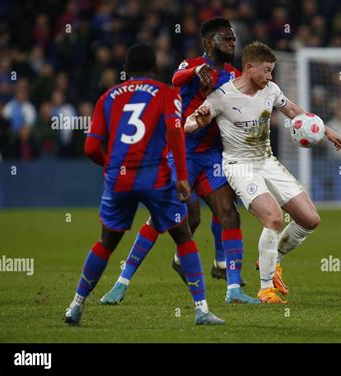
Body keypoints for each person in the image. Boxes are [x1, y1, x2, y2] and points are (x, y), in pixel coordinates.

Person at [101, 18, 259, 305]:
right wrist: (198, 71)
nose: (233, 43)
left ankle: (233, 290)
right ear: (211, 43)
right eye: (228, 38)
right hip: (180, 152)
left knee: (228, 212)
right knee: (179, 217)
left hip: (211, 153)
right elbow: (176, 79)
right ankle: (121, 283)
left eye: (234, 39)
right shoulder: (192, 65)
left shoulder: (235, 75)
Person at [64, 43, 224, 326]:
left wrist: (110, 167)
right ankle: (201, 310)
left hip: (119, 178)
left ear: (125, 70)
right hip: (156, 177)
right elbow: (176, 134)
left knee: (106, 242)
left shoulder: (107, 97)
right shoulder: (166, 94)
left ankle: (76, 305)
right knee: (183, 236)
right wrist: (183, 178)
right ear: (155, 68)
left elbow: (90, 147)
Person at [185, 41, 341, 303]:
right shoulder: (222, 96)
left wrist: (325, 130)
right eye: (267, 70)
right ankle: (266, 288)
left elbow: (293, 111)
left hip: (267, 162)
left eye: (272, 71)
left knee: (310, 219)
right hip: (240, 167)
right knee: (273, 218)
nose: (270, 76)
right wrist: (194, 122)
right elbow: (191, 122)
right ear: (249, 68)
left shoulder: (271, 90)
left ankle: (273, 259)